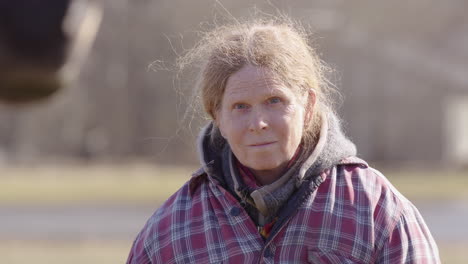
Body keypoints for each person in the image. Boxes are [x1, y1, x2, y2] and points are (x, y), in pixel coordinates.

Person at [127, 19, 440, 263]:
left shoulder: (377, 211)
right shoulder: (171, 230)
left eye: (274, 101)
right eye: (240, 107)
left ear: (308, 106)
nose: (258, 123)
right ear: (217, 118)